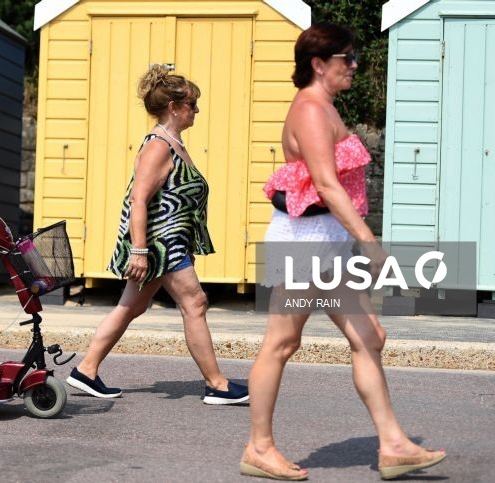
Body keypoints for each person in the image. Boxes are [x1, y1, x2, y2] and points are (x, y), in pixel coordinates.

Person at [240, 23, 446, 480]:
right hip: (304, 244)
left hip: (327, 241)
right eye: (347, 58)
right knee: (282, 342)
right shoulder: (311, 110)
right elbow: (329, 187)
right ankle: (258, 447)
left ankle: (392, 444)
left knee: (369, 335)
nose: (355, 65)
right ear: (319, 63)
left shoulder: (324, 106)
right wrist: (372, 246)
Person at [65, 65, 249, 405]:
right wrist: (139, 251)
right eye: (192, 104)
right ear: (174, 108)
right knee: (195, 302)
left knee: (131, 307)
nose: (197, 110)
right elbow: (138, 199)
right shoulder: (158, 147)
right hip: (158, 246)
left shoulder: (173, 143)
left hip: (165, 243)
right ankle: (217, 384)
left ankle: (85, 370)